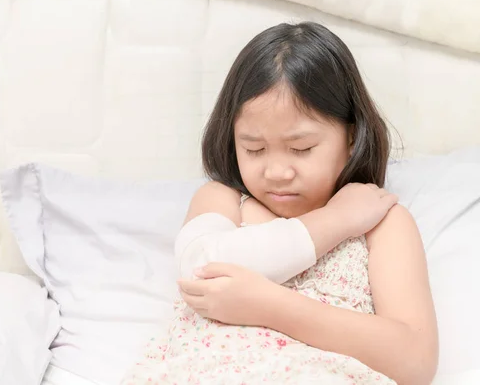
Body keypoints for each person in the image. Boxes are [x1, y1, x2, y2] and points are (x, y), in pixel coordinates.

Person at [121, 21, 438, 384]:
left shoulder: (381, 223)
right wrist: (334, 221)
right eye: (253, 149)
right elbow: (200, 267)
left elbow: (415, 361)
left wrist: (271, 306)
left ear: (351, 137)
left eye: (301, 149)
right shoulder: (225, 201)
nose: (276, 172)